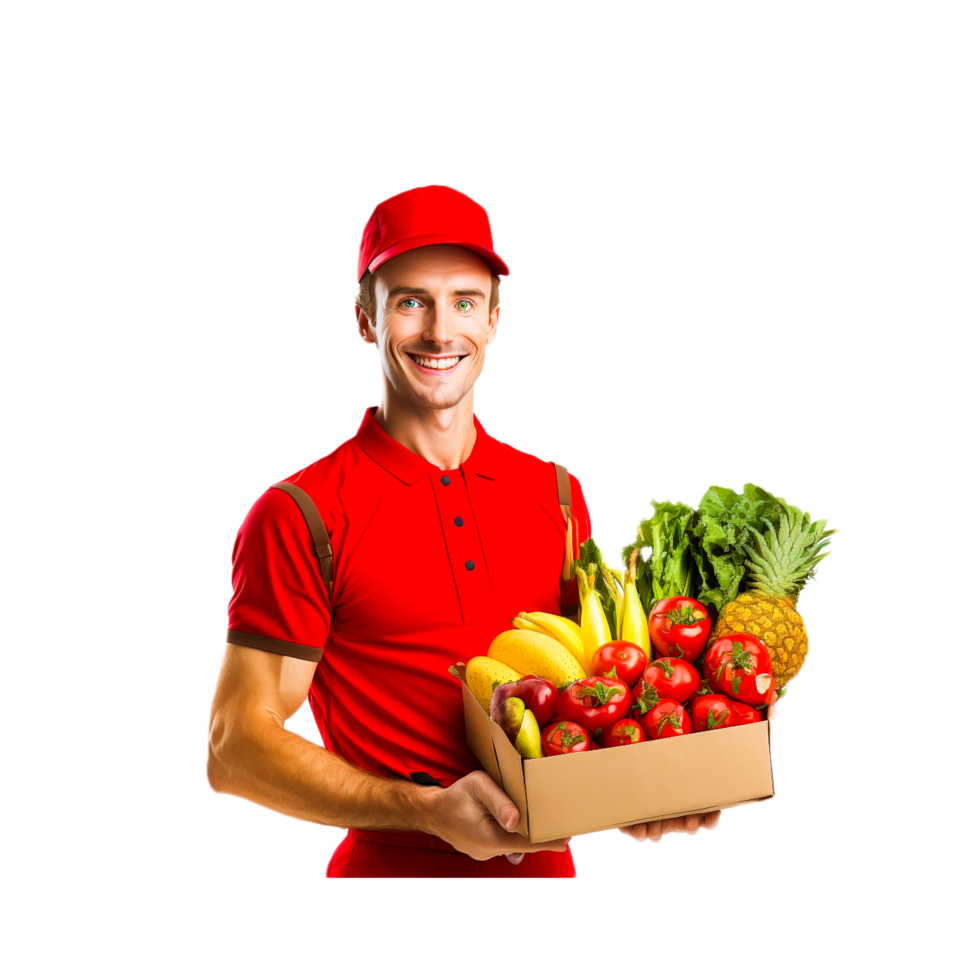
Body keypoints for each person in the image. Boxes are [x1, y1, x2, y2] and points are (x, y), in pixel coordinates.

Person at [204, 184, 724, 879]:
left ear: (495, 320)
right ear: (364, 318)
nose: (440, 331)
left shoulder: (559, 495)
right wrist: (421, 808)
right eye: (410, 301)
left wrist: (646, 789)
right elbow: (234, 746)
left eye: (464, 302)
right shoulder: (301, 511)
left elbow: (591, 702)